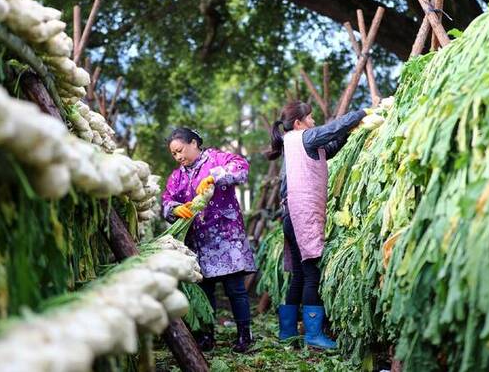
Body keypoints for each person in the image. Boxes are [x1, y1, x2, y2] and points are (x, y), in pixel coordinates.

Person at [265, 100, 385, 349]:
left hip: (291, 216)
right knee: (311, 274)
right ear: (298, 123)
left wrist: (356, 130)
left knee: (299, 275)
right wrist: (365, 112)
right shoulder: (303, 137)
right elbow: (333, 128)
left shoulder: (297, 144)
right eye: (310, 117)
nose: (314, 121)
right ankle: (313, 335)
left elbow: (331, 145)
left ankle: (287, 333)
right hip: (302, 216)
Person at [162, 127, 257, 353]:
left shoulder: (217, 158)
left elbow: (242, 168)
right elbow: (166, 201)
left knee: (235, 289)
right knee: (205, 290)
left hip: (226, 237)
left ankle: (245, 335)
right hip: (199, 242)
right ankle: (207, 336)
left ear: (194, 143)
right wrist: (176, 209)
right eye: (174, 154)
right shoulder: (177, 176)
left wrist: (214, 176)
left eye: (180, 150)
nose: (178, 157)